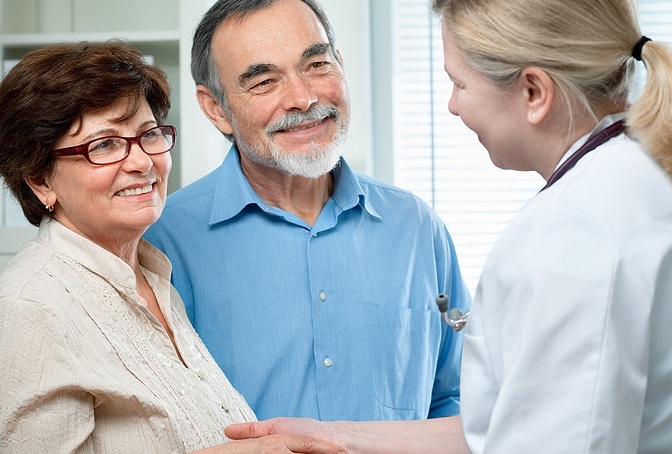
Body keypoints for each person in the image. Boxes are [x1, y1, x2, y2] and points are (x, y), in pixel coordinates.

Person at [224, 0, 672, 452]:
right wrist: (338, 437)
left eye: (459, 83)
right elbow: (496, 427)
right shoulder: (632, 183)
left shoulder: (573, 231)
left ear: (534, 93)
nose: (453, 105)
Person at [0, 40, 345, 454]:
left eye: (148, 134)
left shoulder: (154, 277)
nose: (142, 161)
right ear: (40, 179)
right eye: (104, 144)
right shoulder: (28, 309)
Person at [143, 0, 471, 423]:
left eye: (317, 64)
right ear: (216, 109)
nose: (303, 98)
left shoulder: (417, 228)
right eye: (263, 81)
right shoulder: (161, 242)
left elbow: (453, 400)